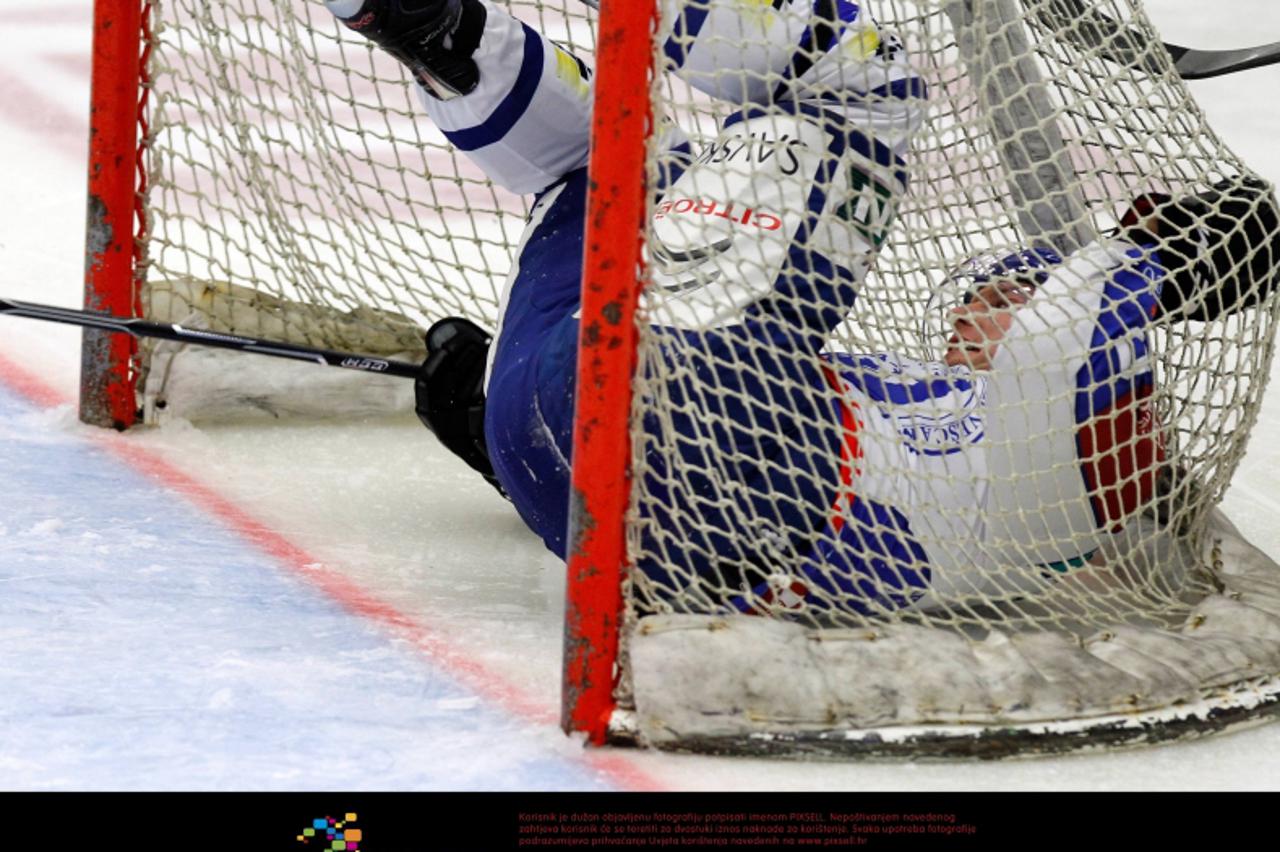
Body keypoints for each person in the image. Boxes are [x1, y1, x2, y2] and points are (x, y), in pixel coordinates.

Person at [329, 0, 1279, 616]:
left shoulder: (1063, 455)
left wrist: (1211, 237)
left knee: (869, 92)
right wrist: (508, 430)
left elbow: (1088, 308)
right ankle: (443, 31)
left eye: (1010, 287)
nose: (990, 295)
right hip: (581, 470)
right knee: (621, 169)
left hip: (700, 436)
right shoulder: (976, 447)